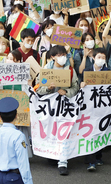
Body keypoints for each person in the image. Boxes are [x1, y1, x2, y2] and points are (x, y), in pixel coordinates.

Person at [34, 45, 79, 176]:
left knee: (64, 132)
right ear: (52, 57)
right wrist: (48, 89)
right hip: (49, 108)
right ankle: (52, 154)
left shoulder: (70, 70)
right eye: (59, 55)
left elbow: (75, 87)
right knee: (50, 131)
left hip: (65, 106)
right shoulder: (46, 71)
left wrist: (67, 92)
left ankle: (63, 162)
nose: (62, 58)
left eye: (64, 55)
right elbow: (38, 89)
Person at [0, 97, 33, 184]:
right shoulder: (18, 136)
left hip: (0, 177)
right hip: (14, 178)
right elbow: (23, 162)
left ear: (0, 116)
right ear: (16, 115)